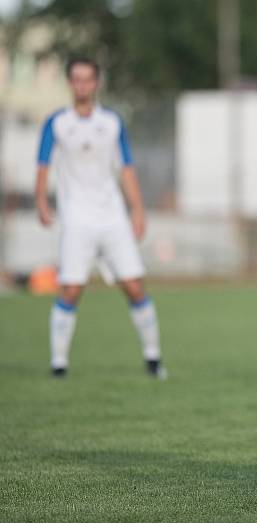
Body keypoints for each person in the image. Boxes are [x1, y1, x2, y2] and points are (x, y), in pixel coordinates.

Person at [35, 57, 165, 379]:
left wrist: (137, 210)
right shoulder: (57, 122)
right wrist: (41, 201)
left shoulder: (111, 122)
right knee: (70, 290)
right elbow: (42, 165)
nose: (82, 85)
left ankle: (153, 359)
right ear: (70, 83)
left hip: (112, 218)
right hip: (76, 220)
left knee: (134, 287)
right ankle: (59, 364)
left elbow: (127, 168)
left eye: (88, 79)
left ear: (96, 83)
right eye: (76, 79)